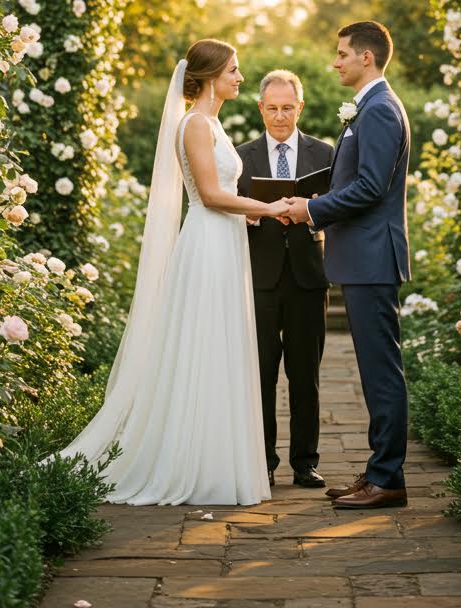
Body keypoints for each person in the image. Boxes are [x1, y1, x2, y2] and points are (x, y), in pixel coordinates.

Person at [47, 39, 291, 505]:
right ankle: (190, 462)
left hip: (227, 240)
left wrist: (253, 212)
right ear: (212, 75)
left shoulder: (213, 123)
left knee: (220, 346)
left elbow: (224, 193)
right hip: (207, 242)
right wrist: (269, 206)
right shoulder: (196, 124)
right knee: (202, 344)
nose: (240, 78)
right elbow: (212, 194)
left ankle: (217, 460)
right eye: (234, 71)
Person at [286, 20, 411, 510]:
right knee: (374, 370)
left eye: (341, 54)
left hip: (372, 258)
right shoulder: (372, 107)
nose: (334, 62)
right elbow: (359, 182)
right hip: (364, 257)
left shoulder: (379, 109)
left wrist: (312, 210)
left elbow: (371, 187)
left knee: (382, 373)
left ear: (366, 57)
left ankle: (388, 479)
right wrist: (320, 200)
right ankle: (379, 471)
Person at [236, 70, 333, 490]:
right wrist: (250, 214)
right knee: (259, 374)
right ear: (260, 108)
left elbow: (341, 208)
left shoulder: (326, 153)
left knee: (305, 374)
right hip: (259, 276)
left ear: (300, 107)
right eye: (272, 108)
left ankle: (305, 462)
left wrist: (317, 212)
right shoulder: (240, 157)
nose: (279, 116)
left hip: (309, 278)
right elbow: (223, 210)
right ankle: (265, 461)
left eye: (287, 108)